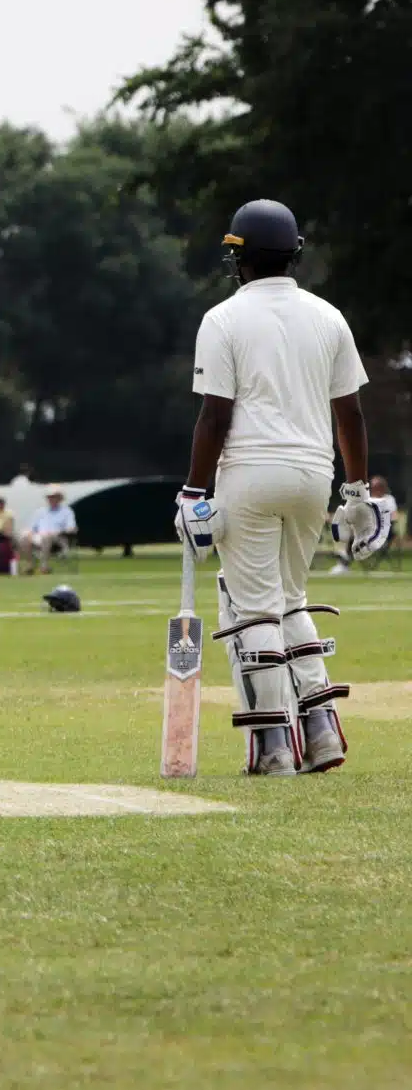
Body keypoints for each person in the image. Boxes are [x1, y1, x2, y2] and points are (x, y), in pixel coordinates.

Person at [177, 199, 371, 775]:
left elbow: (214, 416)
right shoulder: (329, 316)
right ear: (295, 254)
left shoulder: (223, 319)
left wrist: (192, 493)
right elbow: (352, 416)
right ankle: (321, 732)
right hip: (315, 475)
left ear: (239, 259)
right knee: (289, 600)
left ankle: (274, 749)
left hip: (251, 475)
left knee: (257, 609)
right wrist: (356, 490)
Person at [329, 473, 395, 574]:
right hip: (362, 528)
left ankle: (343, 558)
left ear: (382, 488)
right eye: (372, 487)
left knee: (352, 532)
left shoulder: (388, 499)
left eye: (376, 487)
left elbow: (393, 516)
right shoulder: (366, 498)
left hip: (382, 531)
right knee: (349, 529)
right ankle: (342, 559)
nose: (373, 489)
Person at [21, 487, 77, 574]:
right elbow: (31, 528)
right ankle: (30, 565)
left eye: (54, 497)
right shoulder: (40, 511)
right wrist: (28, 533)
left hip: (58, 538)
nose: (52, 499)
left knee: (46, 537)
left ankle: (44, 567)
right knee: (24, 538)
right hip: (39, 537)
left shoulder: (67, 511)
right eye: (50, 497)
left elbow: (71, 528)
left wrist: (56, 532)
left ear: (60, 498)